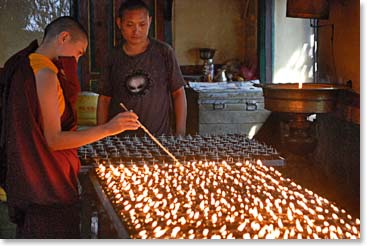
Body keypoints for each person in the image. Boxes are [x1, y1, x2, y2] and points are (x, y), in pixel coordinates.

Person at [0, 16, 140, 239]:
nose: (76, 59)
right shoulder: (44, 74)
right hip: (46, 187)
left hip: (31, 183)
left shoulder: (25, 64)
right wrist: (109, 128)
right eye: (79, 52)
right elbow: (54, 140)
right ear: (64, 37)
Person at [97, 0, 187, 137]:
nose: (136, 30)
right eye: (129, 25)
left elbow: (178, 93)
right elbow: (104, 99)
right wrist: (101, 135)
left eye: (142, 24)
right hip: (120, 141)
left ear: (150, 21)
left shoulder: (164, 53)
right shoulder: (112, 57)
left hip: (159, 138)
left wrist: (180, 133)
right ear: (119, 23)